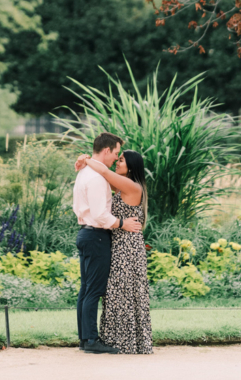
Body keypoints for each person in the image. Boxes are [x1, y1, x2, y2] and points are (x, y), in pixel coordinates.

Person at [77, 148, 152, 354]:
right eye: (117, 158)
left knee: (123, 292)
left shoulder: (131, 185)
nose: (117, 162)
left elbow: (103, 172)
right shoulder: (120, 186)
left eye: (121, 160)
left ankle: (125, 340)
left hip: (127, 245)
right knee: (115, 293)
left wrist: (87, 159)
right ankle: (116, 338)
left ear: (131, 166)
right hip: (118, 241)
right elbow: (97, 178)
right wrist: (85, 163)